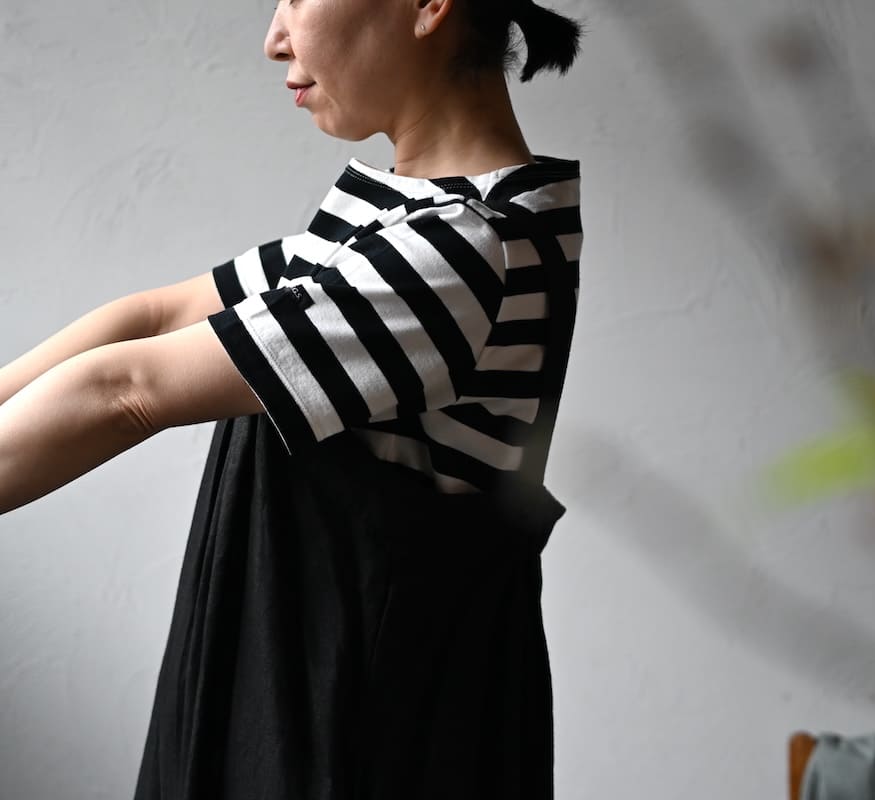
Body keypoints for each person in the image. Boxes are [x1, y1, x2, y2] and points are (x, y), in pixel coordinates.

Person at [0, 0, 585, 796]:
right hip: (307, 713)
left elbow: (127, 391)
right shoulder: (410, 222)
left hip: (342, 746)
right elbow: (157, 317)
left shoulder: (458, 249)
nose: (275, 38)